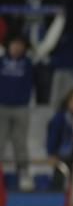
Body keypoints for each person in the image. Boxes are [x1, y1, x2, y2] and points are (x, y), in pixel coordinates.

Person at [0, 35, 33, 190]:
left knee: (20, 143)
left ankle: (23, 174)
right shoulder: (1, 61)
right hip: (2, 107)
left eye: (20, 44)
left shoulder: (28, 63)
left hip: (21, 107)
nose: (17, 48)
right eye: (14, 44)